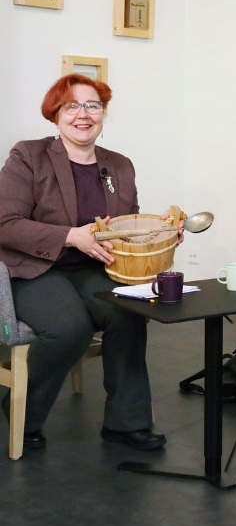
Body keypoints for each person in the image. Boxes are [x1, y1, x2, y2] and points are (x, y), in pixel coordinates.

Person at [0, 74, 166, 451]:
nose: (83, 114)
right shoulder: (28, 156)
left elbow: (125, 225)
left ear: (103, 113)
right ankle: (21, 412)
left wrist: (161, 233)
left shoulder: (119, 165)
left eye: (92, 105)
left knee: (129, 312)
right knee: (69, 328)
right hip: (35, 269)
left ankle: (126, 424)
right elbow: (5, 224)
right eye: (71, 106)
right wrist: (71, 236)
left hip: (94, 269)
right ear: (55, 115)